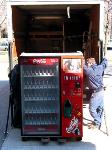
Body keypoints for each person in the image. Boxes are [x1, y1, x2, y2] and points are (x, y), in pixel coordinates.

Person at [83, 57, 108, 129]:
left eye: (88, 63)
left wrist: (82, 58)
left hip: (96, 92)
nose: (87, 65)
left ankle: (97, 121)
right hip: (101, 90)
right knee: (100, 107)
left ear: (90, 63)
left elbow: (82, 66)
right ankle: (98, 122)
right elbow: (105, 63)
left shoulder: (89, 71)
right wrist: (104, 58)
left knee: (92, 109)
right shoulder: (100, 67)